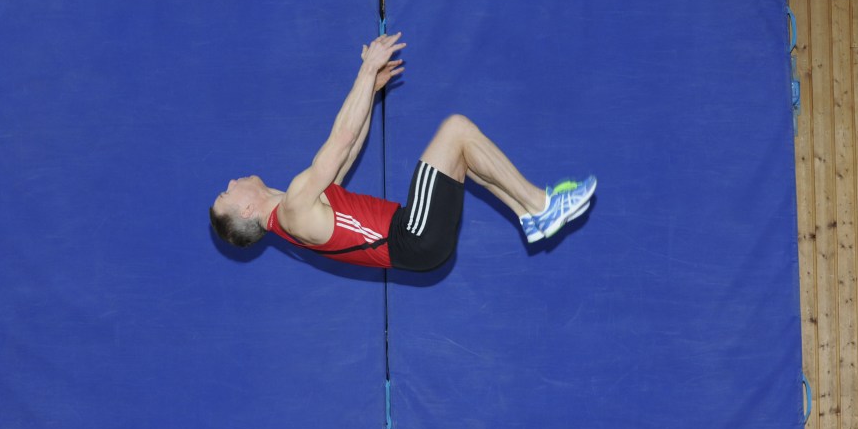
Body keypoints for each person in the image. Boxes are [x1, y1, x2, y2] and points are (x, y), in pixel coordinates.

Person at [209, 32, 596, 272]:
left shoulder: (298, 207)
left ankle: (529, 213)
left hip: (417, 244)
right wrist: (366, 71)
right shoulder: (293, 209)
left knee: (463, 154)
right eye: (227, 193)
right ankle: (542, 206)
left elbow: (346, 150)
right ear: (247, 210)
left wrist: (372, 89)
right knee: (456, 130)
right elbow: (340, 139)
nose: (230, 183)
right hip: (411, 235)